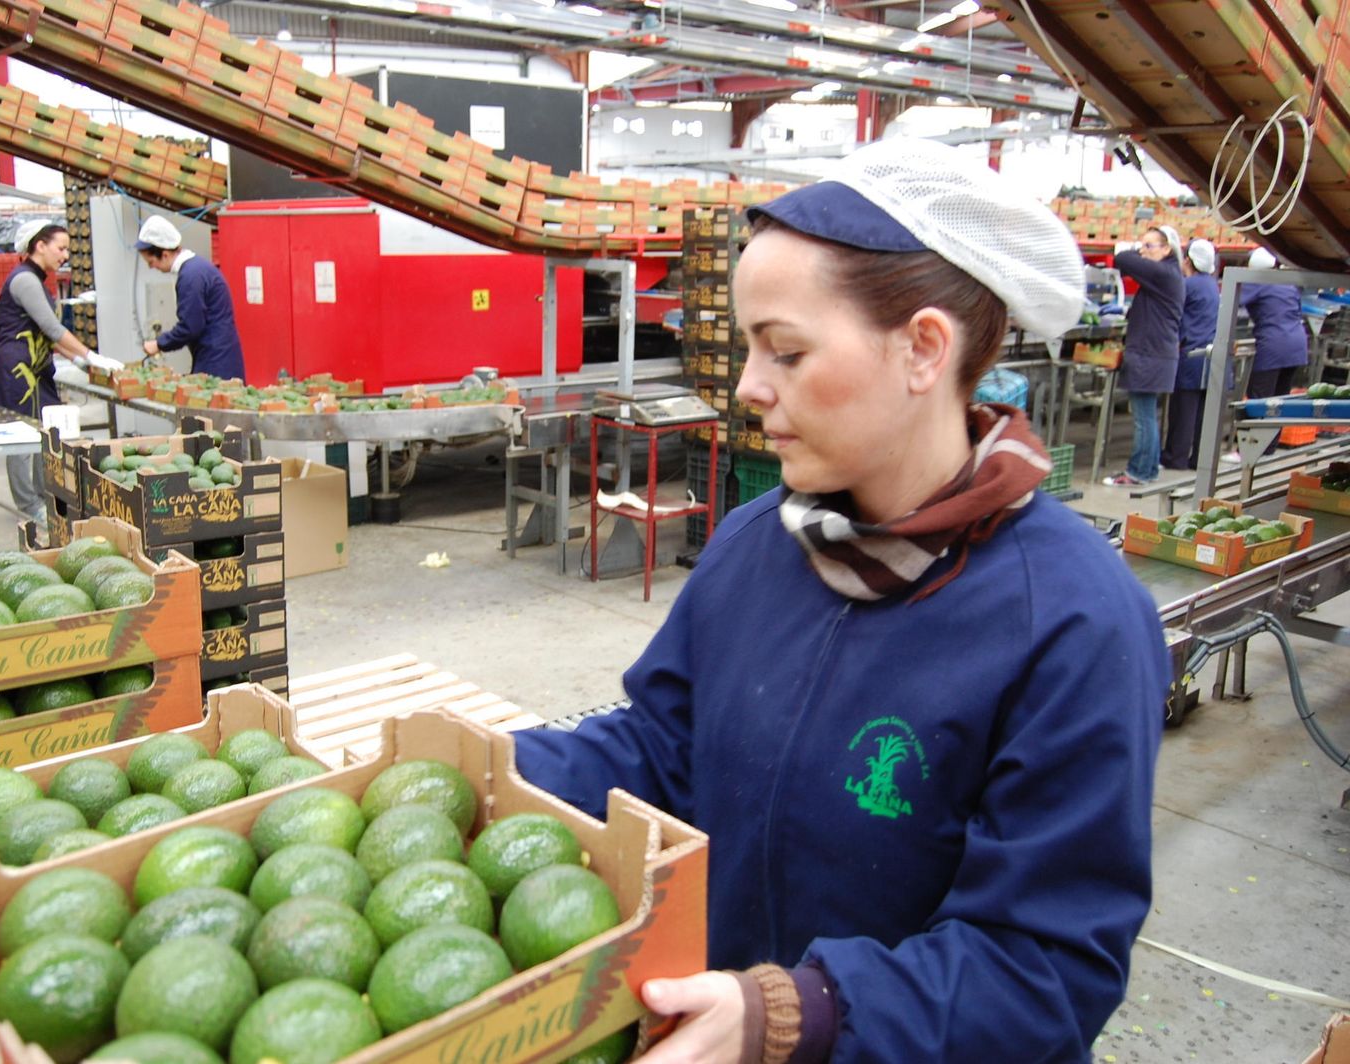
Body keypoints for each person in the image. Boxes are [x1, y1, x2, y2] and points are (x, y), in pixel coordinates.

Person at [512, 138, 1167, 1064]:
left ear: (923, 350)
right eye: (749, 348)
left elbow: (1044, 971)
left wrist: (803, 1014)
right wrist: (483, 767)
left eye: (785, 350)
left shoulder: (1071, 621)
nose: (748, 386)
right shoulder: (758, 544)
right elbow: (662, 748)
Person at [0, 220, 95, 527]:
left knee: (44, 430)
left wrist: (80, 361)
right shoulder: (25, 280)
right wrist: (89, 355)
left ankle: (43, 492)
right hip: (18, 368)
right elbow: (53, 328)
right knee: (20, 435)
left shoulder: (37, 280)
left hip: (37, 366)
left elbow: (49, 335)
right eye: (60, 248)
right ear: (40, 245)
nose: (65, 255)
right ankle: (28, 502)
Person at [1103, 225, 1184, 486]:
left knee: (1143, 418)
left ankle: (1138, 472)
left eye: (1149, 246)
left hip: (1150, 356)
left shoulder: (1163, 273)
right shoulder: (1168, 273)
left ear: (1166, 249)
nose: (1144, 251)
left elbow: (1122, 259)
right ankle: (1148, 469)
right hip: (1157, 355)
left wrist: (1134, 251)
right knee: (1147, 416)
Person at [134, 216, 246, 379]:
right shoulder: (198, 268)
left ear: (164, 254)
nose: (152, 267)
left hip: (215, 361)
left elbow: (190, 327)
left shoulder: (190, 276)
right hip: (220, 355)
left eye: (151, 262)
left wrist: (159, 344)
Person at [1162, 238, 1224, 470]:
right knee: (1202, 415)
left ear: (1188, 260)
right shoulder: (1212, 284)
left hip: (1192, 356)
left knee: (1183, 412)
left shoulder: (1188, 285)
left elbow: (1170, 312)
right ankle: (1199, 459)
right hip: (1211, 355)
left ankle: (1175, 458)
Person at [1240, 248, 1308, 399]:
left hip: (1274, 346)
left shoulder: (1257, 282)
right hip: (1296, 346)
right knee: (1279, 402)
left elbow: (1229, 301)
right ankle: (1276, 424)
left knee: (1260, 400)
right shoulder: (1287, 283)